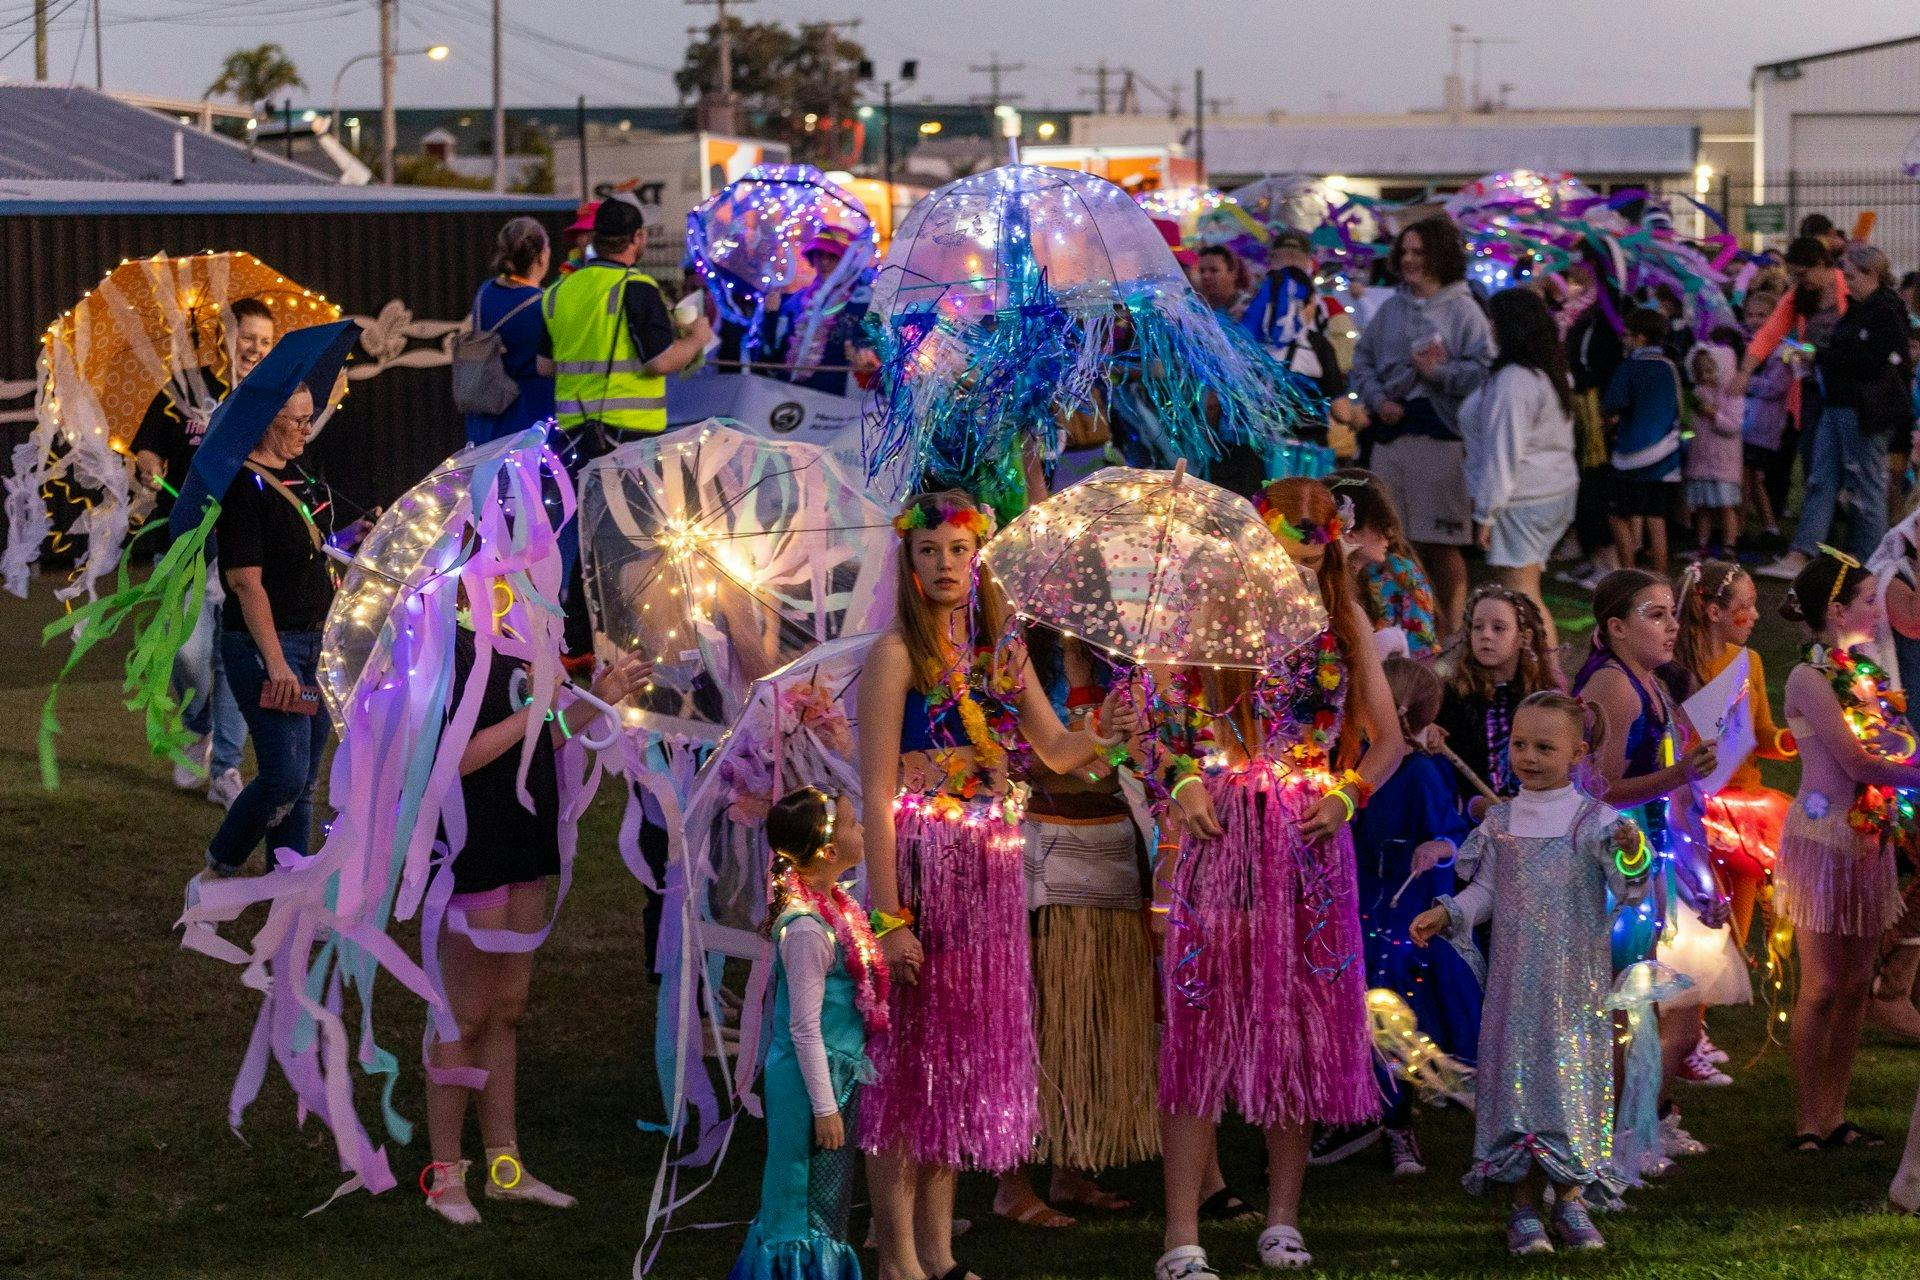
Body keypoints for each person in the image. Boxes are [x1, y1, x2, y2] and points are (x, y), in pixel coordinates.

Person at [856, 491, 1135, 1280]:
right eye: (930, 551)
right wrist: (887, 918)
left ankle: (940, 1256)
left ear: (977, 561)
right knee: (909, 1066)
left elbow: (1053, 751)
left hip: (988, 872)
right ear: (907, 564)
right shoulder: (895, 657)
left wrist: (1106, 735)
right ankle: (898, 1258)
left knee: (955, 1062)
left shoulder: (998, 657)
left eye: (958, 550)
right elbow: (873, 794)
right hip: (920, 866)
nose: (946, 565)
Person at [1149, 477, 1405, 1278]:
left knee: (1296, 1031)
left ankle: (1283, 1219)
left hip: (1308, 845)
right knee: (1198, 1027)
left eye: (1313, 548)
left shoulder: (1344, 621)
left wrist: (1347, 792)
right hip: (1222, 837)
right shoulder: (1208, 623)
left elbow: (1387, 740)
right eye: (1284, 546)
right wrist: (1182, 780)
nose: (1297, 562)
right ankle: (1181, 1236)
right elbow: (1158, 736)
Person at [422, 628, 650, 1224]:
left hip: (526, 830)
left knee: (509, 1005)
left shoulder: (529, 636)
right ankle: (444, 1175)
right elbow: (456, 756)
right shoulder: (446, 639)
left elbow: (546, 740)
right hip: (473, 835)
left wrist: (590, 699)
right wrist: (541, 705)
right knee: (462, 1010)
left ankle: (505, 1166)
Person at [1410, 693, 1651, 1255]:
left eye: (1545, 747)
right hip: (1515, 991)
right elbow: (1488, 891)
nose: (1529, 756)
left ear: (1576, 753)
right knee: (1516, 1084)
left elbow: (1628, 887)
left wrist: (1632, 853)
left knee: (1570, 1083)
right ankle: (1521, 1207)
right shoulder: (1501, 823)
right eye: (1520, 744)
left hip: (1573, 990)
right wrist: (1449, 912)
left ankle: (1569, 1199)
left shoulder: (1596, 822)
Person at [992, 633, 1156, 1228]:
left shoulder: (1120, 660)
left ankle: (1072, 1165)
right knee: (1039, 1012)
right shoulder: (1017, 657)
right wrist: (1100, 744)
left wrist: (1122, 743)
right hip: (1044, 836)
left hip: (1110, 835)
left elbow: (1136, 756)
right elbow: (1042, 756)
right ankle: (1014, 1181)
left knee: (1092, 1013)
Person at [1571, 568, 1724, 1167]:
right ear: (1614, 628)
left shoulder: (1650, 683)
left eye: (1671, 612)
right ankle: (1602, 1142)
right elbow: (1597, 791)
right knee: (1615, 1002)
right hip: (1610, 867)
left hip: (1640, 858)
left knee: (1636, 999)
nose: (1671, 626)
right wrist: (1678, 775)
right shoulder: (1614, 686)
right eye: (1654, 614)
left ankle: (1634, 1127)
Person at [1776, 552, 1920, 1151]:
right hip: (1823, 841)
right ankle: (1810, 1117)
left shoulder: (1864, 674)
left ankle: (1836, 1113)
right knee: (1823, 984)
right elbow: (1857, 760)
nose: (1875, 609)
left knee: (1858, 981)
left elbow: (1890, 745)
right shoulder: (1809, 681)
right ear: (1835, 611)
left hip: (1869, 838)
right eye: (1866, 600)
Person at [722, 788, 887, 1279]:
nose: (863, 831)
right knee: (804, 1198)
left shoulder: (837, 904)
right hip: (811, 1080)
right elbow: (803, 1028)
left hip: (836, 1072)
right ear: (831, 853)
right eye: (856, 825)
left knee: (830, 1197)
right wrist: (824, 1107)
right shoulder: (810, 929)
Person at [542, 191, 713, 654]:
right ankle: (631, 642)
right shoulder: (636, 288)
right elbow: (658, 362)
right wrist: (696, 338)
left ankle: (579, 642)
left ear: (596, 239)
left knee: (589, 540)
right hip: (629, 440)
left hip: (572, 439)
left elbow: (543, 365)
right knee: (639, 544)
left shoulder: (560, 291)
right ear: (637, 238)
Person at [131, 296, 279, 809]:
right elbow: (147, 444)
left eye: (265, 342)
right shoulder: (185, 388)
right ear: (224, 336)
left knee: (235, 657)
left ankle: (226, 768)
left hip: (246, 546)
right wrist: (149, 466)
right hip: (185, 542)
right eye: (248, 339)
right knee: (188, 655)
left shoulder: (272, 395)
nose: (255, 350)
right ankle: (198, 728)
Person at [1337, 655, 1477, 1179]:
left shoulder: (1420, 772)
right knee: (1359, 1011)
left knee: (1393, 1013)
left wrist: (1435, 846)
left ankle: (1397, 1126)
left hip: (1399, 913)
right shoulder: (1350, 765)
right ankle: (1355, 1111)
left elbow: (1454, 832)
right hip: (1356, 896)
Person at [190, 386, 337, 884]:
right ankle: (220, 866)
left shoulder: (302, 474)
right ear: (267, 421)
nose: (307, 429)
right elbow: (244, 582)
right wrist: (276, 664)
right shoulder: (241, 487)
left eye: (310, 418)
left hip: (313, 644)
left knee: (306, 779)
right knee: (284, 776)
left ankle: (287, 885)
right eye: (297, 420)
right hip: (266, 648)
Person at [1349, 215, 1496, 635]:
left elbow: (1484, 370)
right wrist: (1379, 401)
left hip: (1441, 441)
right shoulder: (1391, 308)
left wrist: (1439, 374)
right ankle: (1400, 625)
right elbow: (1363, 361)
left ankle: (1451, 632)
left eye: (1419, 251)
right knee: (1389, 539)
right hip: (1391, 440)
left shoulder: (1465, 310)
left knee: (1441, 542)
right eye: (1405, 251)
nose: (1410, 260)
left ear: (1440, 255)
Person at [1672, 561, 1794, 953]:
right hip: (1695, 812)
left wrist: (1795, 739)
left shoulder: (1749, 661)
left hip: (1746, 819)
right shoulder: (1674, 670)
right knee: (1694, 940)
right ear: (1714, 612)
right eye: (1749, 604)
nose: (1756, 615)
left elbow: (1761, 734)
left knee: (1734, 945)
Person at [1460, 288, 1578, 650]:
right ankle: (1533, 673)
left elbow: (1503, 451)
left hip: (1522, 498)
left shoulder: (1515, 381)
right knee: (1521, 590)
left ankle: (1549, 678)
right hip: (1548, 491)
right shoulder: (1546, 372)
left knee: (1522, 593)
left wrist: (1487, 512)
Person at [1792, 243, 1913, 565]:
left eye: (1851, 276)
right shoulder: (1862, 308)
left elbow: (1873, 362)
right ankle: (1804, 552)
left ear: (1871, 274)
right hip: (1840, 405)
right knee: (1822, 479)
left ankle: (1870, 558)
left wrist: (1819, 356)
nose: (1846, 282)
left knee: (1865, 486)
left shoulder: (1884, 309)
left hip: (1863, 410)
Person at [1750, 236, 1850, 580]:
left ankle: (1834, 552)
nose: (1798, 281)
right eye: (1794, 275)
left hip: (1846, 393)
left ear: (1823, 266)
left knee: (1846, 478)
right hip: (1811, 391)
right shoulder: (1800, 297)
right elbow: (1769, 332)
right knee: (1816, 471)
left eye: (1803, 274)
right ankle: (1818, 550)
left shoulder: (1847, 289)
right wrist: (1743, 372)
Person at [1430, 583, 1560, 804]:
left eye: (1498, 628)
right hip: (1466, 815)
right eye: (1478, 627)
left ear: (1524, 638)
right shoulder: (1453, 695)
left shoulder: (1543, 698)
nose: (1486, 635)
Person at [1559, 256, 1628, 592]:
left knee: (1598, 483)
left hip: (1596, 405)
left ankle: (1608, 560)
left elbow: (1608, 359)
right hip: (1580, 402)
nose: (1574, 264)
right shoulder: (1581, 309)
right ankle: (1593, 554)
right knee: (1585, 482)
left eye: (1582, 259)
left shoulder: (1610, 311)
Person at [1600, 307, 1685, 574]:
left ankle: (1629, 575)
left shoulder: (1631, 367)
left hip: (1631, 456)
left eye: (1627, 335)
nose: (1624, 340)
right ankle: (1660, 579)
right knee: (1656, 518)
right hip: (1666, 455)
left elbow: (1613, 404)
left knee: (1619, 514)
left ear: (1640, 337)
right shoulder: (1670, 366)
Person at [463, 217, 557, 447]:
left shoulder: (485, 292)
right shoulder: (544, 304)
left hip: (487, 412)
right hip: (531, 416)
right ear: (540, 256)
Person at [1329, 468, 1439, 659]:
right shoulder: (1324, 581)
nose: (1389, 533)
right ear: (1349, 532)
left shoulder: (1400, 574)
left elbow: (1423, 655)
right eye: (1380, 523)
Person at [766, 226, 874, 397]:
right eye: (819, 255)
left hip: (833, 404)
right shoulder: (796, 301)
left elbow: (871, 358)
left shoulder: (863, 303)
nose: (824, 262)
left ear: (848, 262)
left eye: (833, 257)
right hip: (786, 396)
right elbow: (773, 352)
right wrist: (770, 316)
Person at [1685, 328, 1747, 559]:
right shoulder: (1698, 392)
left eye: (1710, 369)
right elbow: (1690, 426)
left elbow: (1733, 426)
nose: (1705, 375)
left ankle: (1729, 547)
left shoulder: (1732, 395)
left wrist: (1713, 415)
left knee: (1725, 505)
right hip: (1700, 458)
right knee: (1702, 505)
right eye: (1700, 370)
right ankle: (1702, 546)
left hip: (1723, 461)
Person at [1741, 292, 1797, 547]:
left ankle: (1764, 525)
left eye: (1761, 315)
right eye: (1750, 315)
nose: (1755, 320)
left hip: (1764, 425)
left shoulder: (1783, 350)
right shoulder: (1749, 346)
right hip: (1747, 423)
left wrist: (1743, 380)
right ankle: (1762, 525)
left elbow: (1775, 387)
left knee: (1753, 477)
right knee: (1749, 477)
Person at [1193, 245, 1249, 321]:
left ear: (1233, 273)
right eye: (1202, 271)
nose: (1205, 276)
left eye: (1214, 270)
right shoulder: (1197, 310)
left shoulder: (1248, 309)